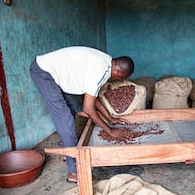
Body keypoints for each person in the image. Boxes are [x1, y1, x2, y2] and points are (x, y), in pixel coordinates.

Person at [29, 46, 135, 182]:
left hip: (49, 72)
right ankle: (74, 173)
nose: (116, 80)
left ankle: (69, 151)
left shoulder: (105, 62)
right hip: (44, 73)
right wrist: (110, 131)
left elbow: (91, 97)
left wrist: (110, 118)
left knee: (69, 112)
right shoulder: (101, 70)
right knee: (65, 120)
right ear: (118, 73)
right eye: (119, 78)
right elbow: (88, 108)